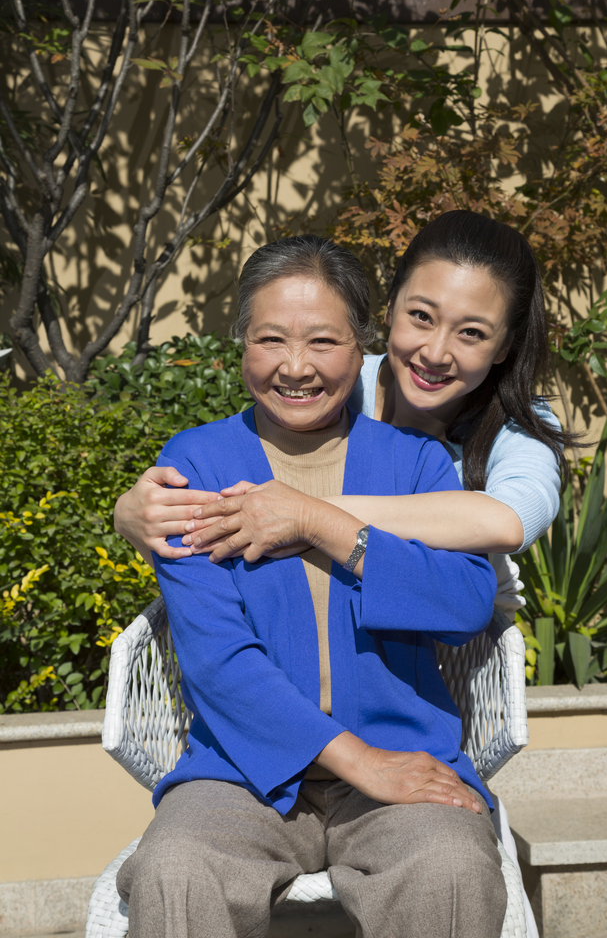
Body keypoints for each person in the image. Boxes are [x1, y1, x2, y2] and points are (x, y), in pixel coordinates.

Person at [115, 211, 569, 937]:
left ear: (352, 345)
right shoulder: (200, 464)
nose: (296, 364)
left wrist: (314, 519)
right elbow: (216, 658)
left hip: (404, 760)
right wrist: (125, 510)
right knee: (178, 867)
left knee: (448, 869)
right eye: (270, 339)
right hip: (239, 770)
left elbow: (465, 597)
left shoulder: (424, 461)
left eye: (322, 341)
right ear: (239, 345)